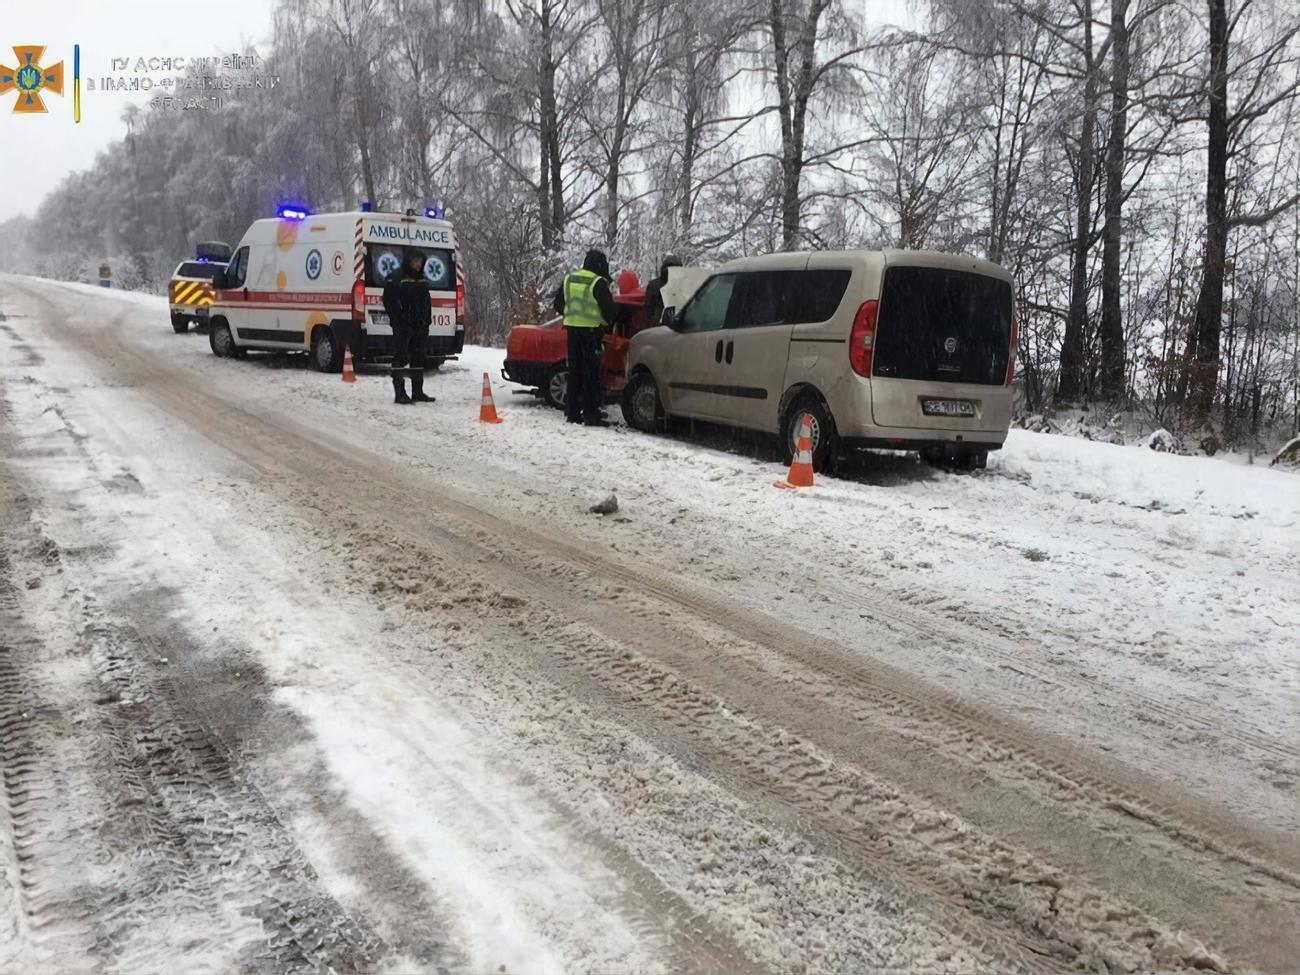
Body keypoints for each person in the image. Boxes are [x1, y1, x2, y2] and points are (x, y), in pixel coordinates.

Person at [553, 248, 617, 426]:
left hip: (572, 331)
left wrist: (571, 314)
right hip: (591, 332)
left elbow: (558, 303)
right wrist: (606, 324)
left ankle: (572, 411)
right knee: (591, 374)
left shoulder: (569, 279)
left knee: (575, 371)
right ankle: (591, 413)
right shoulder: (597, 282)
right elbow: (610, 310)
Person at [382, 249, 435, 405]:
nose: (417, 264)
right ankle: (400, 393)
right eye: (415, 261)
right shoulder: (397, 278)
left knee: (418, 358)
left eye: (420, 261)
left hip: (420, 327)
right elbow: (389, 301)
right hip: (403, 327)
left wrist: (426, 321)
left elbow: (426, 302)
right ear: (408, 261)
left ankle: (417, 391)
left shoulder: (422, 279)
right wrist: (399, 320)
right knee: (400, 358)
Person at [643, 253, 682, 329]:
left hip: (658, 325)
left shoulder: (653, 285)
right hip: (676, 326)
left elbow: (648, 310)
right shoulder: (683, 284)